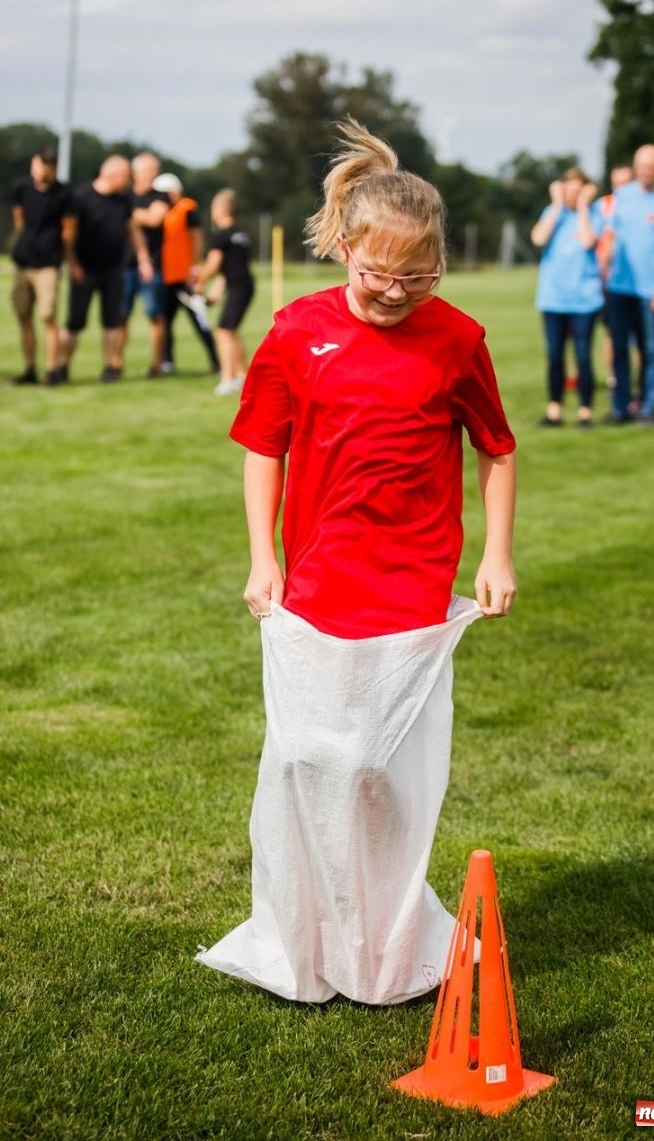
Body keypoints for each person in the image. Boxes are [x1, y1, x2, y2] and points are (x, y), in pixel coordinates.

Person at [196, 119, 517, 1006]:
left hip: (413, 584)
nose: (397, 292)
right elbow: (263, 445)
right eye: (379, 275)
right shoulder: (298, 331)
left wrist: (496, 554)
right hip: (315, 582)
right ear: (344, 248)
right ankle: (300, 936)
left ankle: (387, 942)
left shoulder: (456, 339)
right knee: (304, 758)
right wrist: (261, 558)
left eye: (419, 278)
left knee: (379, 770)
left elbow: (497, 447)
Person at [604, 144, 654, 424]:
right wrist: (604, 271)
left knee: (651, 350)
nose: (646, 172)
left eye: (652, 167)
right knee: (620, 348)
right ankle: (620, 406)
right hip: (619, 287)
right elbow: (610, 237)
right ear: (636, 167)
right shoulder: (621, 196)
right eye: (642, 166)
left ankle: (648, 407)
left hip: (651, 291)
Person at [60, 155, 151, 383]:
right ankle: (62, 366)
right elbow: (69, 234)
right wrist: (72, 263)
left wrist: (143, 258)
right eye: (126, 177)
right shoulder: (81, 197)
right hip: (85, 269)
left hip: (113, 269)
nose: (129, 181)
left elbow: (133, 230)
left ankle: (111, 367)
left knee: (112, 320)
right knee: (75, 321)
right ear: (111, 175)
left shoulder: (124, 199)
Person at [531, 166, 603, 428]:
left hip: (584, 299)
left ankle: (585, 411)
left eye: (578, 190)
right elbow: (539, 237)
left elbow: (587, 241)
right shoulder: (553, 213)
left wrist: (584, 206)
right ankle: (555, 411)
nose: (573, 195)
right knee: (555, 355)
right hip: (553, 298)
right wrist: (557, 205)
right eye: (569, 190)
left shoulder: (593, 214)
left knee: (583, 355)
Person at [9, 146, 76, 386]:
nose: (40, 171)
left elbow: (68, 231)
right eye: (37, 166)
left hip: (48, 262)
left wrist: (69, 261)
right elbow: (19, 220)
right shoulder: (21, 188)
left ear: (53, 169)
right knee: (23, 315)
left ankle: (51, 370)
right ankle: (29, 369)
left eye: (45, 167)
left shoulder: (63, 194)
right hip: (23, 262)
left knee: (47, 315)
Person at [153, 173, 219, 374]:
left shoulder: (187, 209)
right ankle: (167, 362)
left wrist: (195, 266)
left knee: (200, 322)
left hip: (185, 278)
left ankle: (217, 362)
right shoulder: (164, 212)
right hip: (168, 277)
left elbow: (197, 237)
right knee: (165, 322)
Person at [195, 189, 254, 395]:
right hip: (243, 285)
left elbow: (213, 265)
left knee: (223, 331)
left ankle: (228, 378)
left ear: (220, 209)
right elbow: (227, 270)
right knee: (231, 330)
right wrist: (215, 293)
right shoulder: (240, 234)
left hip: (239, 287)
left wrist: (199, 281)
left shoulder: (221, 236)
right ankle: (242, 375)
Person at [120, 152, 170, 378]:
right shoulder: (124, 195)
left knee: (156, 315)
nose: (153, 174)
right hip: (124, 265)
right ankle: (116, 363)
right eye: (148, 169)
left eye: (155, 169)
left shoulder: (161, 196)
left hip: (154, 266)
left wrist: (128, 215)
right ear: (135, 172)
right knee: (120, 316)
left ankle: (156, 365)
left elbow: (155, 219)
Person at [596, 165, 634, 394]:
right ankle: (614, 380)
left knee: (639, 339)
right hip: (609, 281)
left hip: (638, 284)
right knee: (612, 333)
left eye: (626, 182)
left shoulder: (641, 205)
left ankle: (636, 383)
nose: (621, 188)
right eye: (617, 182)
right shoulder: (602, 206)